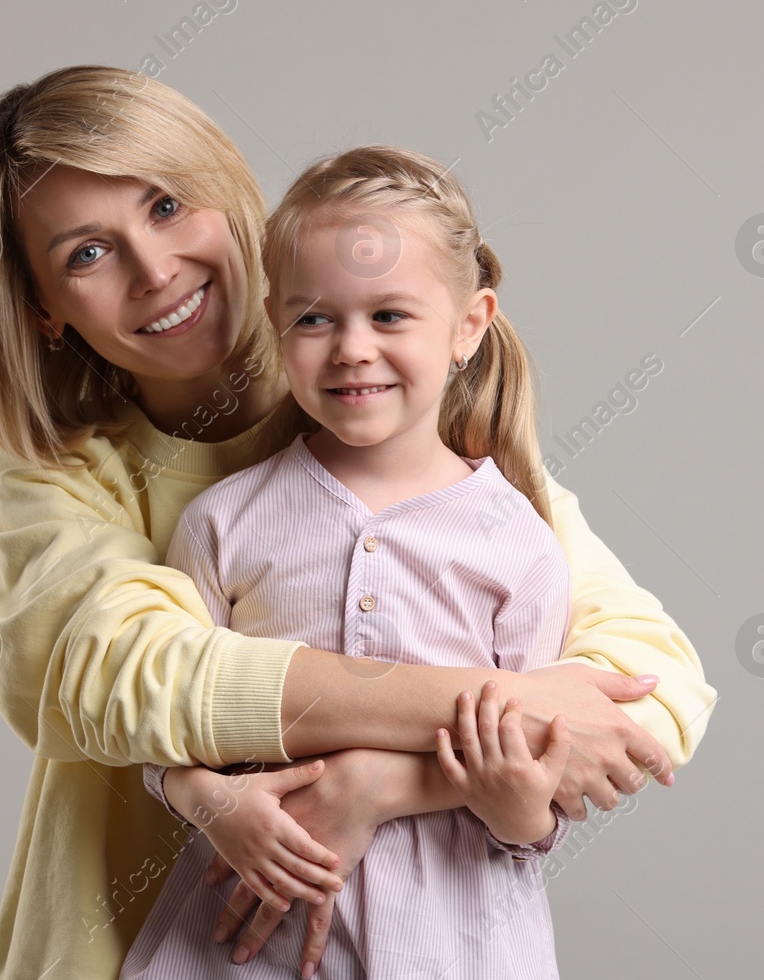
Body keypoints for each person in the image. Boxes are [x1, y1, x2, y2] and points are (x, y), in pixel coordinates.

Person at [0, 66, 717, 979]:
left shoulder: (392, 420)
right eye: (86, 253)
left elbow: (651, 681)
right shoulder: (50, 480)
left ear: (227, 196)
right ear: (44, 308)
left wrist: (383, 785)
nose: (155, 271)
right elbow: (129, 674)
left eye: (165, 205)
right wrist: (498, 705)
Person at [125, 144, 601, 978]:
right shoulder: (225, 522)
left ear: (468, 325)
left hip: (455, 944)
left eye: (388, 316)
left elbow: (536, 797)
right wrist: (210, 798)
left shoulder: (517, 543)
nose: (350, 348)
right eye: (314, 318)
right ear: (276, 322)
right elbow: (169, 721)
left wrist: (517, 802)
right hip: (238, 941)